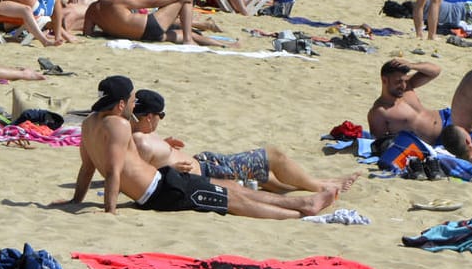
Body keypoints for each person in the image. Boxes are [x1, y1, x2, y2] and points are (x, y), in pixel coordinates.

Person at [65, 75, 340, 219]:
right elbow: (113, 171)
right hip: (160, 192)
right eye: (133, 101)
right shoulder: (118, 125)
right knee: (232, 201)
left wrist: (76, 201)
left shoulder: (89, 124)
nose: (135, 106)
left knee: (231, 189)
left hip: (163, 183)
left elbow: (87, 168)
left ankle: (301, 201)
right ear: (121, 104)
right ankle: (303, 206)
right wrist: (110, 212)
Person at [129, 89, 357, 196]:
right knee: (273, 155)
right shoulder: (140, 142)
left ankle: (320, 181)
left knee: (264, 177)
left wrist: (166, 145)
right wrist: (169, 168)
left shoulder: (139, 135)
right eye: (161, 116)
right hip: (208, 170)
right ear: (149, 117)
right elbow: (137, 175)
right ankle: (319, 187)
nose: (161, 120)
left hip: (206, 162)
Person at [84, 0, 208, 46]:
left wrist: (109, 31)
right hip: (150, 26)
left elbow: (88, 33)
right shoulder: (119, 0)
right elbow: (150, 3)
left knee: (188, 34)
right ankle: (188, 40)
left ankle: (223, 45)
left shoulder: (91, 10)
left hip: (143, 37)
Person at [368, 59, 443, 141]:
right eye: (398, 81)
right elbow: (380, 144)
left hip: (446, 118)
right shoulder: (378, 112)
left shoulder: (408, 85)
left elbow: (436, 70)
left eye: (404, 80)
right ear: (384, 80)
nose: (403, 85)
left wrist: (412, 65)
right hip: (440, 142)